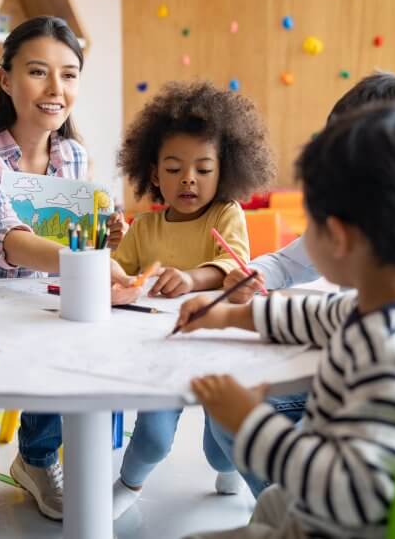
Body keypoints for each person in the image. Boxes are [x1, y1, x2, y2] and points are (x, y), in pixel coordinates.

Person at [177, 103, 395, 538]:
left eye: (308, 224)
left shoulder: (389, 358)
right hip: (366, 509)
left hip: (342, 525)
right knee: (271, 502)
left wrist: (251, 423)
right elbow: (319, 314)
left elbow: (347, 490)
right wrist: (228, 314)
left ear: (336, 236)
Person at [0, 15, 134, 533]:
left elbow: (68, 241)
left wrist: (102, 241)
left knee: (69, 343)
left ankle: (36, 458)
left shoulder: (74, 154)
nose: (56, 89)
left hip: (30, 295)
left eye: (70, 74)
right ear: (6, 78)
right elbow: (3, 234)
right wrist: (92, 263)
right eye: (39, 72)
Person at [109, 81, 276, 518]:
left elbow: (232, 265)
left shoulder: (227, 214)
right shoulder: (144, 227)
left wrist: (190, 277)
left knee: (221, 450)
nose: (188, 178)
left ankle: (229, 472)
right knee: (152, 438)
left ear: (225, 171)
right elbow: (120, 275)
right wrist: (112, 264)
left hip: (217, 348)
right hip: (161, 349)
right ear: (153, 174)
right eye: (174, 167)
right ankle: (127, 483)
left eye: (203, 169)